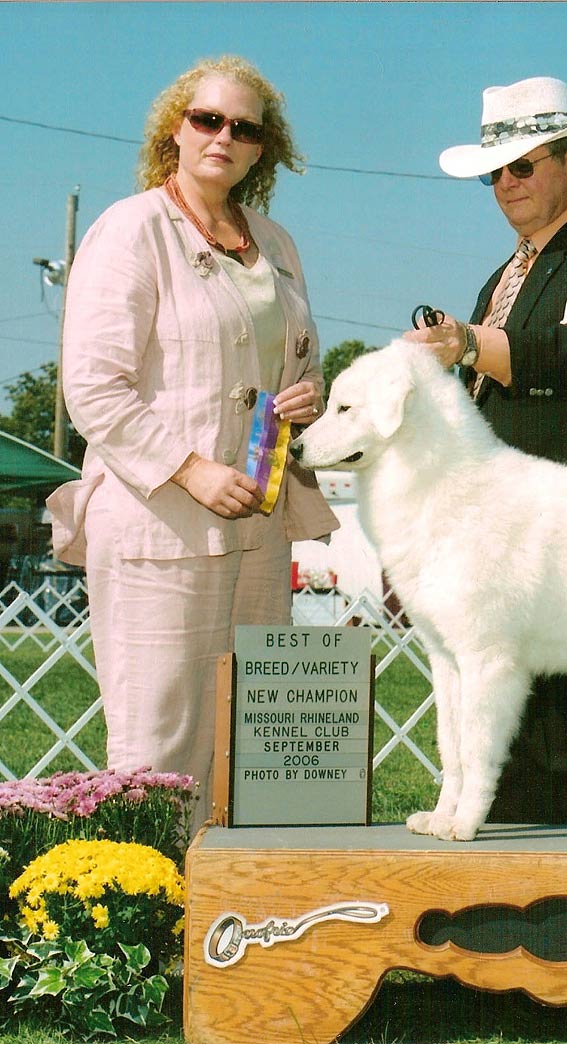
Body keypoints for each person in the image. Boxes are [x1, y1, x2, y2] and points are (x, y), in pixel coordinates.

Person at [46, 56, 336, 829]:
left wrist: (308, 399)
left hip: (260, 531)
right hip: (158, 530)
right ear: (175, 128)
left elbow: (294, 364)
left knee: (248, 757)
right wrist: (190, 470)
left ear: (261, 150)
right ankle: (137, 938)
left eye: (244, 128)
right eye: (208, 119)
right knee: (156, 757)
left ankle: (228, 937)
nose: (223, 137)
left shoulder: (275, 242)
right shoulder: (131, 228)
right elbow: (94, 388)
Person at [407, 76, 567, 825]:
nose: (505, 185)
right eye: (495, 172)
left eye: (523, 166)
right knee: (507, 716)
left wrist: (471, 343)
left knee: (566, 717)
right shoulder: (503, 278)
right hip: (498, 546)